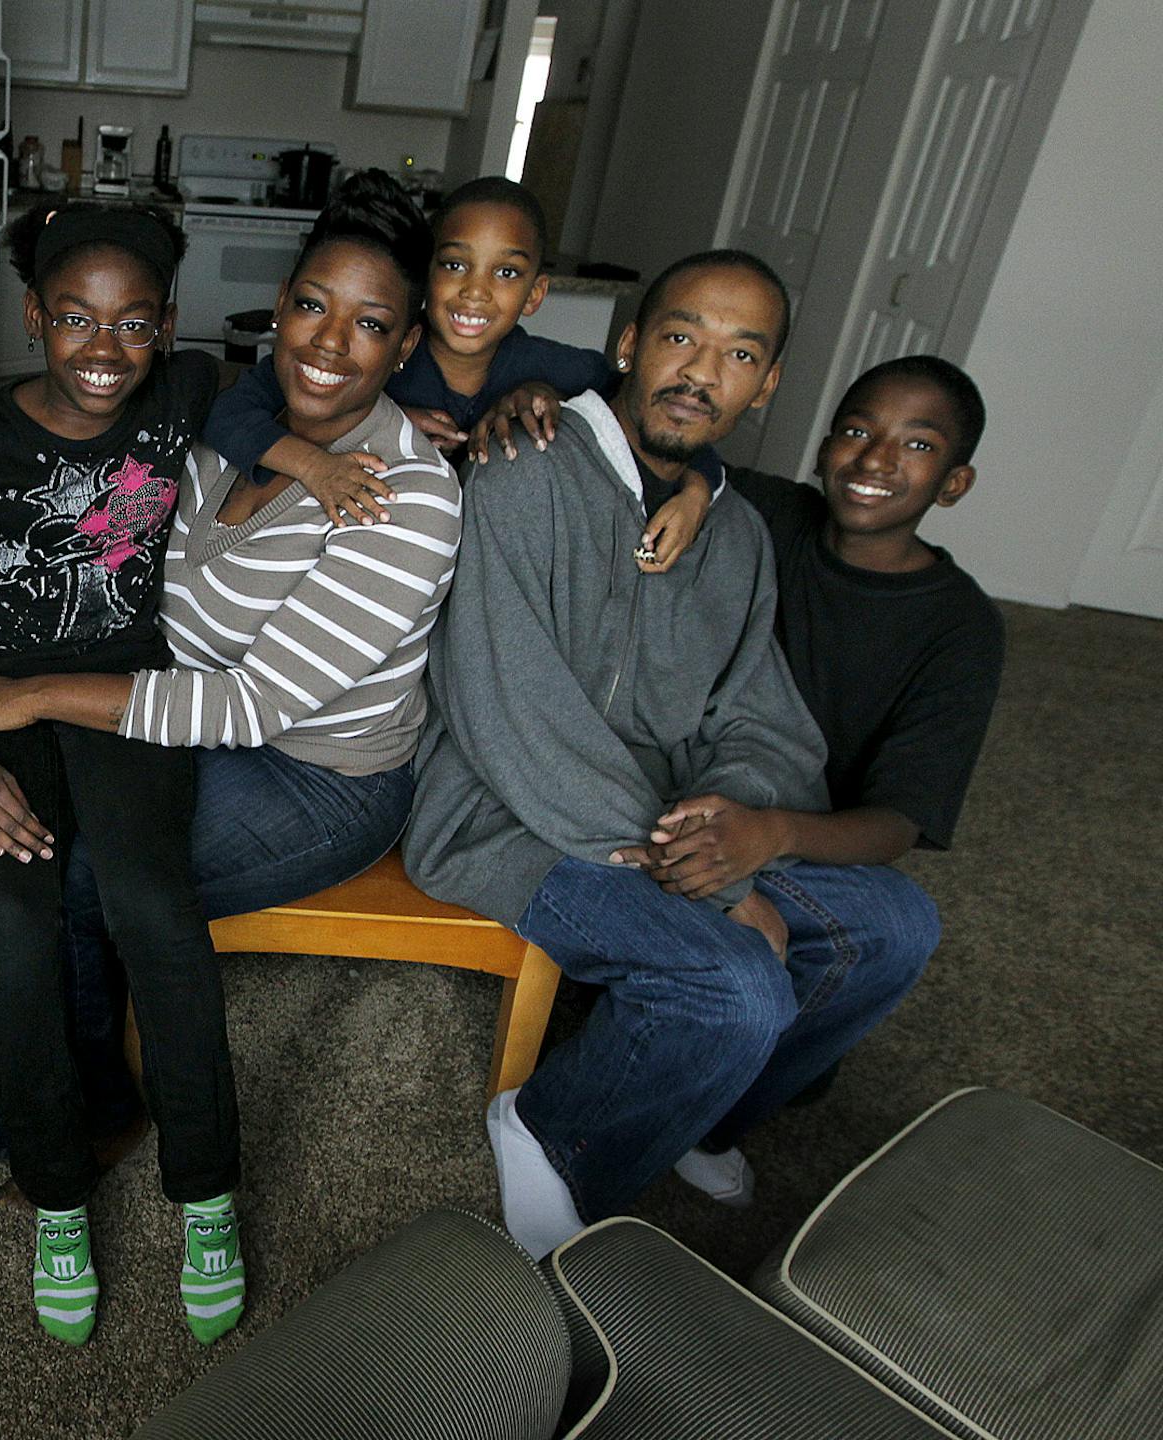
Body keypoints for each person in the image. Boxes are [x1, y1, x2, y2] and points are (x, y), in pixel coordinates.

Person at [0, 171, 459, 1297]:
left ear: (404, 349)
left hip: (309, 772)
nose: (330, 343)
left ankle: (99, 1113)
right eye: (312, 307)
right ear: (275, 309)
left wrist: (39, 695)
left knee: (85, 875)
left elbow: (249, 707)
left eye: (371, 326)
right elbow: (220, 406)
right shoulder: (219, 405)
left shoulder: (403, 498)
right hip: (171, 706)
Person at [403, 250, 946, 1259]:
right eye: (680, 336)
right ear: (628, 344)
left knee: (898, 926)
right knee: (736, 982)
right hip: (506, 816)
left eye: (740, 354)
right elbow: (507, 704)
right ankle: (555, 1133)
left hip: (675, 816)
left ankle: (706, 1107)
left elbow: (761, 718)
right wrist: (711, 883)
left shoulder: (734, 532)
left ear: (769, 382)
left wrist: (734, 826)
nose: (702, 372)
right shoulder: (522, 469)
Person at [0, 199, 236, 1347]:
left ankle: (208, 1192)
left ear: (166, 330)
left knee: (151, 904)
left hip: (128, 695)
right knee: (5, 909)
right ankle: (55, 1198)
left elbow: (295, 402)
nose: (103, 349)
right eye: (76, 319)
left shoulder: (185, 395)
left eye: (134, 324)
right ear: (34, 316)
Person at [617, 355, 1003, 1157]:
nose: (875, 461)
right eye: (857, 431)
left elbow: (900, 822)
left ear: (956, 484)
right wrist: (698, 484)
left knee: (898, 927)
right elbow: (667, 434)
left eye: (917, 446)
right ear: (826, 443)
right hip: (657, 788)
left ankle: (714, 1118)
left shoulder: (961, 628)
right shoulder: (767, 511)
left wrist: (772, 836)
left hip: (792, 836)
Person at [205, 176, 712, 572]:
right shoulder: (371, 353)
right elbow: (229, 413)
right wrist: (334, 453)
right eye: (454, 266)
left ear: (536, 294)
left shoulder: (557, 368)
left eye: (506, 273)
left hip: (493, 576)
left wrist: (696, 491)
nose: (475, 292)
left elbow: (661, 414)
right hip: (379, 562)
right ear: (423, 277)